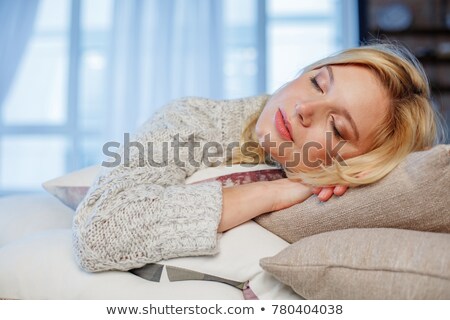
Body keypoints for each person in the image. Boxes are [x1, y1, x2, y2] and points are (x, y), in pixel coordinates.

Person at [73, 42, 445, 272]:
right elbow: (98, 231)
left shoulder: (345, 195)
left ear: (358, 165)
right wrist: (273, 191)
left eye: (337, 127)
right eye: (318, 82)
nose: (305, 108)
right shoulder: (193, 120)